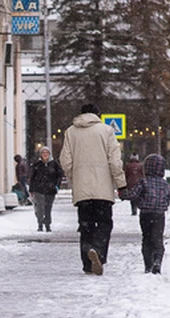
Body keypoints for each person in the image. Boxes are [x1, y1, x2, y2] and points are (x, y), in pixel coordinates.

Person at [59, 103, 126, 275]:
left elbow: (65, 161)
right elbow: (115, 162)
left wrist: (76, 178)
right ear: (97, 114)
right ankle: (99, 252)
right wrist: (121, 184)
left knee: (85, 226)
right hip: (103, 190)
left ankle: (88, 263)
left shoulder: (70, 132)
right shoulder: (106, 131)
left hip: (82, 191)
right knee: (104, 224)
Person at [130, 153, 170, 274]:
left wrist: (125, 196)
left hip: (145, 214)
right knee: (158, 239)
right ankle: (158, 261)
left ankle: (148, 265)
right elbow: (168, 197)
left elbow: (134, 194)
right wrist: (163, 205)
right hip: (159, 214)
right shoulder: (165, 184)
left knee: (147, 238)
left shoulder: (143, 182)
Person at [28, 146, 65, 232]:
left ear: (49, 154)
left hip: (50, 190)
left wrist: (57, 185)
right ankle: (40, 224)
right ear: (40, 154)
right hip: (38, 189)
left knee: (48, 208)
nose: (45, 155)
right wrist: (31, 189)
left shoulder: (54, 164)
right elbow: (32, 177)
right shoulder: (37, 165)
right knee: (39, 208)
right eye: (43, 153)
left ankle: (48, 225)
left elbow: (60, 175)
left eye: (46, 153)